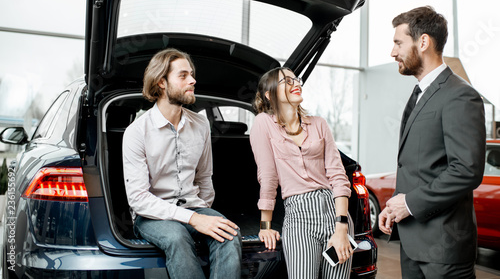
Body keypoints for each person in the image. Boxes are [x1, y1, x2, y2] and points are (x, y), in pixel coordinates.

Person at [379, 6, 486, 278]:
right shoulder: (419, 94)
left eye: (398, 43)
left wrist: (410, 203)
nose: (393, 53)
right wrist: (395, 205)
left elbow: (466, 170)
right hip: (412, 244)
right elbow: (418, 165)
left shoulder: (461, 96)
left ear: (423, 42)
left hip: (444, 250)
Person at [122, 48, 242, 279]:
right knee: (177, 237)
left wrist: (202, 213)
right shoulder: (137, 132)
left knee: (230, 233)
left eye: (192, 74)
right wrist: (194, 220)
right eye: (183, 75)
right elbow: (138, 199)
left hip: (194, 206)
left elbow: (204, 177)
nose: (193, 80)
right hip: (152, 215)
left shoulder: (201, 124)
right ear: (161, 83)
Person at [249, 67, 354, 279]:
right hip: (299, 216)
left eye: (295, 79)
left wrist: (341, 226)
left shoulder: (319, 124)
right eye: (286, 82)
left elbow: (338, 176)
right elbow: (268, 176)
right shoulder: (263, 123)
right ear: (269, 95)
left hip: (336, 214)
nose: (296, 83)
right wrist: (265, 225)